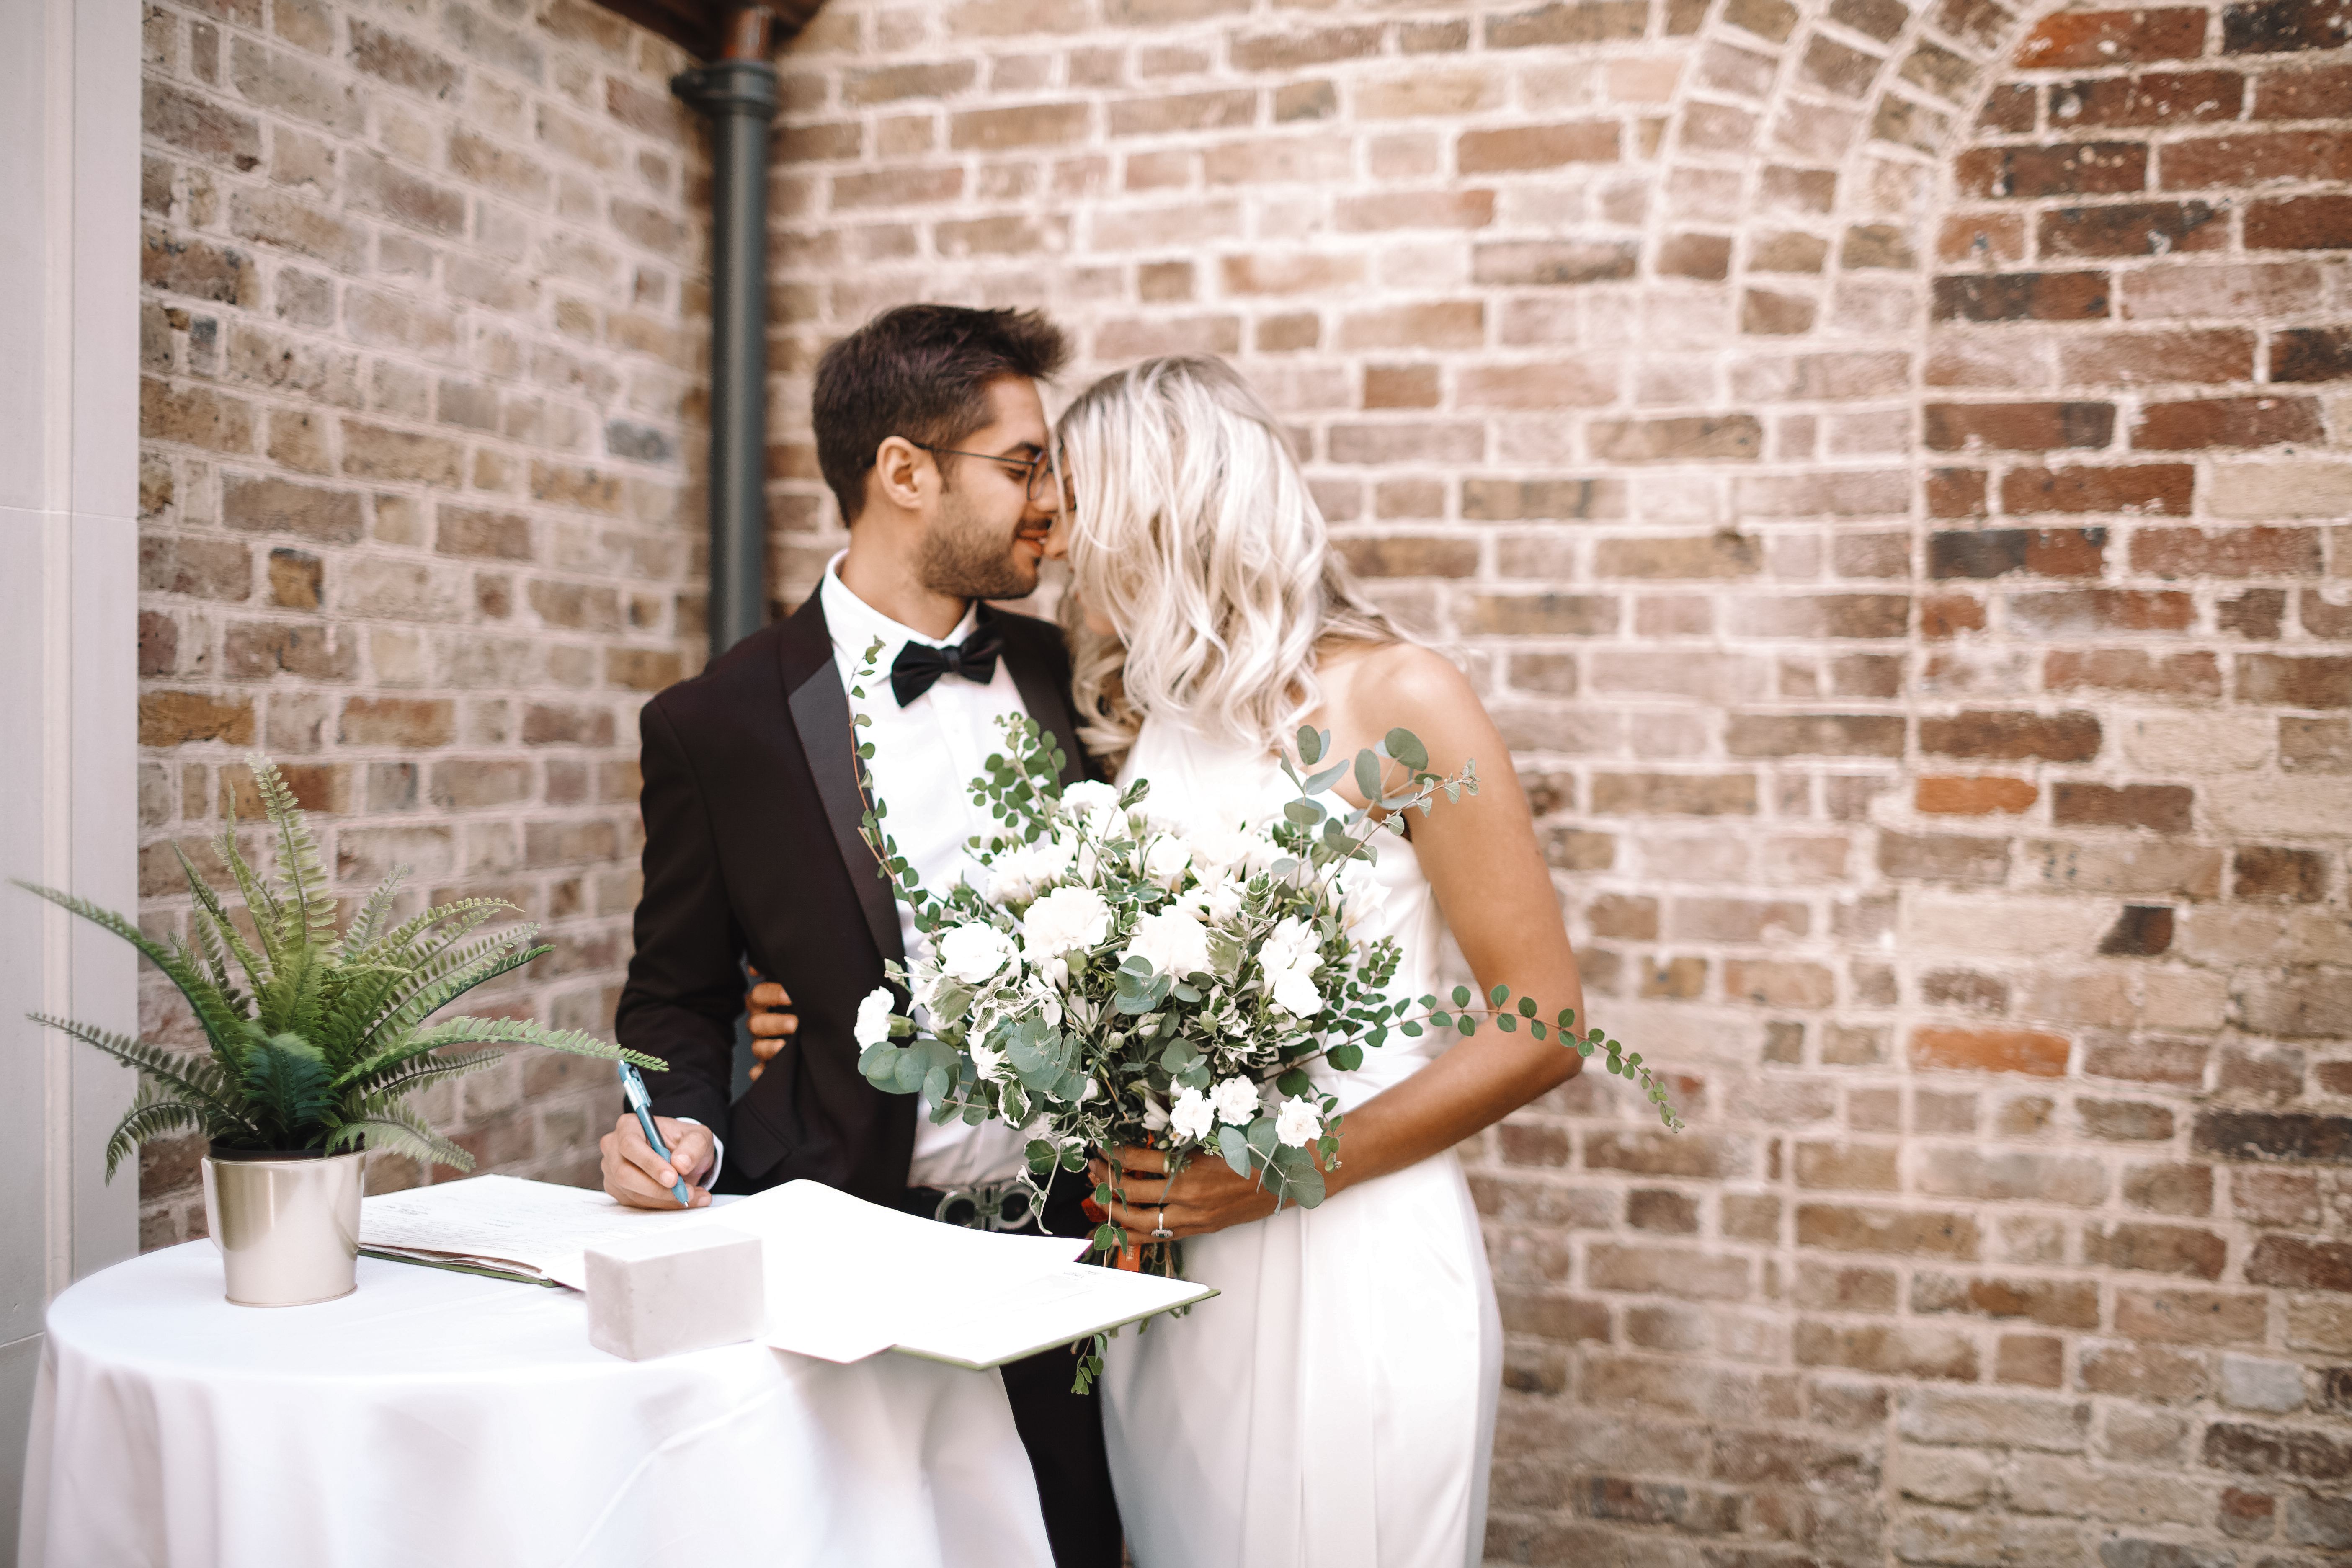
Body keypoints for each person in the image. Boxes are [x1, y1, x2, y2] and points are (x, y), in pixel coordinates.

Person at [602, 304, 1122, 1567]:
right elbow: (675, 993)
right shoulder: (716, 723)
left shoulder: (1077, 675)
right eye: (1024, 465)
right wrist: (674, 1125)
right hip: (838, 1251)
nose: (1052, 502)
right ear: (904, 472)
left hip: (1074, 1251)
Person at [1050, 356, 1590, 1568]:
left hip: (1354, 1251)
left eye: (1081, 508)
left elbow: (1544, 1025)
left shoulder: (1403, 697)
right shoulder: (1151, 718)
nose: (1061, 547)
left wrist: (1278, 1175)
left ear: (1162, 510)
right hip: (1182, 1281)